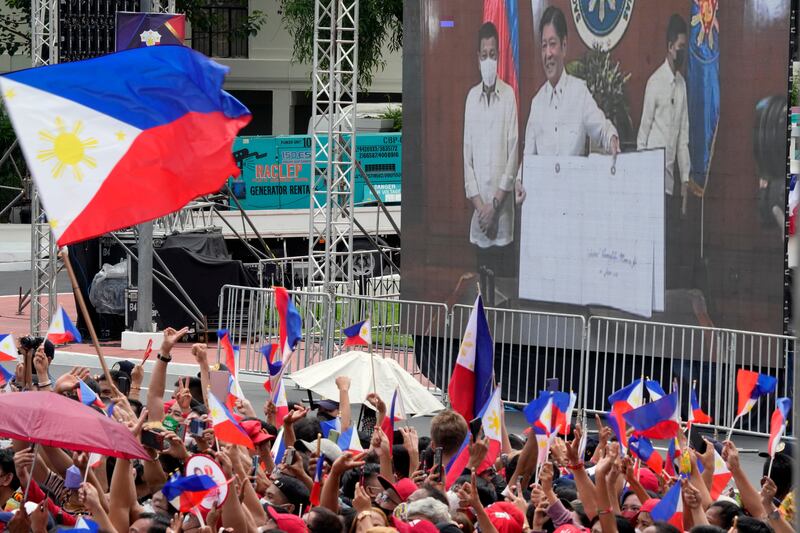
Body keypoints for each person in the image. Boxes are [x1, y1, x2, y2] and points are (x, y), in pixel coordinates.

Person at [462, 21, 519, 303]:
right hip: (480, 217)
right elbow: (467, 161)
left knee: (505, 296)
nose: (488, 60)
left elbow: (513, 157)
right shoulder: (471, 99)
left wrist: (494, 206)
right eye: (484, 54)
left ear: (499, 56)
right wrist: (481, 209)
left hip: (502, 216)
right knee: (483, 297)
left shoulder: (508, 96)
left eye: (493, 54)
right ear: (477, 58)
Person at [520, 6, 620, 161]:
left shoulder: (579, 93)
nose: (548, 54)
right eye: (544, 46)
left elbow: (602, 129)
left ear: (564, 46)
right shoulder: (537, 103)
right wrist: (520, 179)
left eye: (552, 44)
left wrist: (612, 138)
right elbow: (528, 161)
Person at [637, 13, 690, 289]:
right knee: (650, 251)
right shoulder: (655, 83)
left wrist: (686, 180)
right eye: (681, 47)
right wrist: (642, 180)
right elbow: (642, 136)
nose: (683, 53)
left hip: (670, 185)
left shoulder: (681, 87)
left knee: (668, 249)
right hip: (650, 183)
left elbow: (683, 138)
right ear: (670, 46)